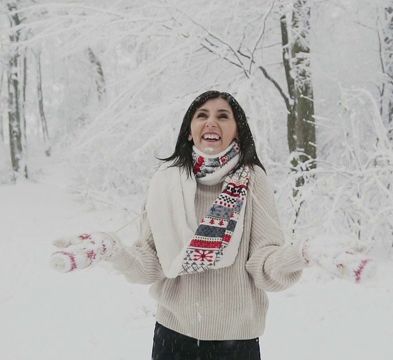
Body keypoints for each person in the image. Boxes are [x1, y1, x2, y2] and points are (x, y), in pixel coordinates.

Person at [50, 90, 373, 360]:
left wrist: (304, 252)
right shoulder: (166, 183)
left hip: (237, 341)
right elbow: (152, 265)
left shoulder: (251, 181)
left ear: (237, 130)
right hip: (173, 337)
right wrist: (113, 250)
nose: (211, 121)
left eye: (223, 115)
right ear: (189, 129)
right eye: (202, 114)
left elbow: (264, 265)